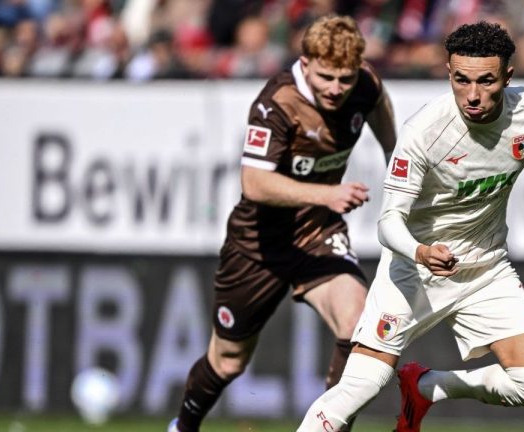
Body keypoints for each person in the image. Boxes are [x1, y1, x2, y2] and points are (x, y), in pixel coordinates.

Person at [297, 20, 524, 432]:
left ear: (508, 76)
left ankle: (426, 387)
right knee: (362, 385)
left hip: (485, 269)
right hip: (415, 272)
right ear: (449, 73)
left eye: (486, 81)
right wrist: (420, 252)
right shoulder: (423, 132)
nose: (473, 95)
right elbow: (388, 221)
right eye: (461, 80)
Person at [168, 14, 397, 432]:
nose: (336, 89)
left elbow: (379, 102)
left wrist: (395, 158)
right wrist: (327, 194)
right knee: (228, 361)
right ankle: (182, 426)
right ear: (305, 63)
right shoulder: (277, 103)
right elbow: (254, 183)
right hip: (258, 245)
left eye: (345, 80)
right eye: (326, 77)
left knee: (359, 325)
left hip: (318, 233)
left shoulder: (364, 83)